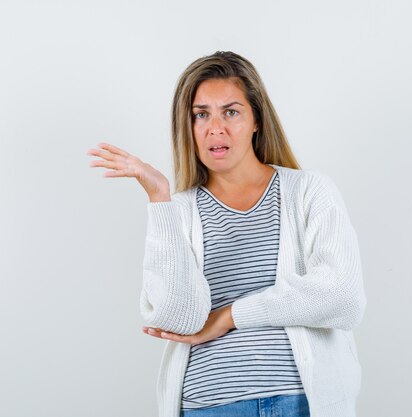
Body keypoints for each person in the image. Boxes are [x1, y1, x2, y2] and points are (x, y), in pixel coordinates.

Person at [87, 51, 366, 417]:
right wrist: (160, 197)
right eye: (201, 115)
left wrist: (231, 314)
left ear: (255, 120)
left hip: (298, 402)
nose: (215, 127)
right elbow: (176, 319)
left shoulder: (309, 191)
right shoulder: (179, 210)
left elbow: (343, 297)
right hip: (209, 406)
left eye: (230, 112)